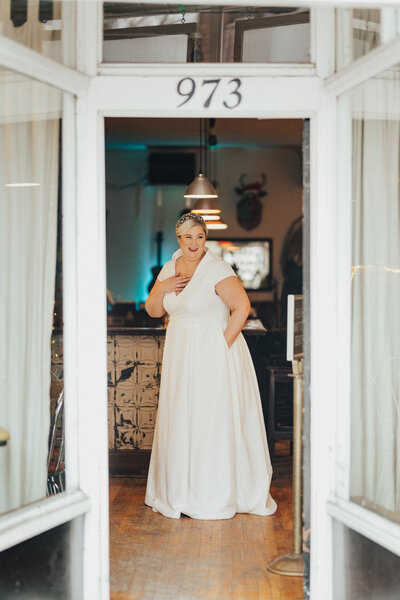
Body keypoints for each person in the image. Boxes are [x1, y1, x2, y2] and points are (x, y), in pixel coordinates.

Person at [144, 213, 277, 520]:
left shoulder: (217, 268)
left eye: (199, 237)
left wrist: (220, 346)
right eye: (188, 237)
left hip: (213, 352)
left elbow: (241, 307)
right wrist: (163, 287)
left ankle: (213, 492)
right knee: (182, 417)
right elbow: (152, 310)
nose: (194, 243)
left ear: (206, 239)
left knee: (210, 419)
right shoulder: (169, 268)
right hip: (181, 354)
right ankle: (181, 490)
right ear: (179, 239)